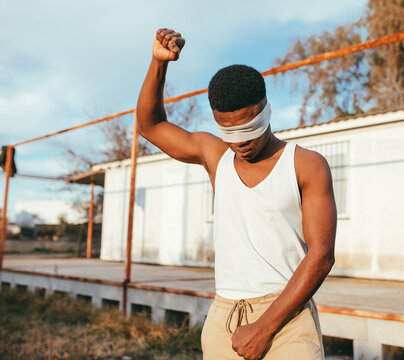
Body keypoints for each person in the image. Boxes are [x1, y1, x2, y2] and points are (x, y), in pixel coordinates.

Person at [137, 28, 337, 360]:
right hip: (223, 318)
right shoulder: (216, 157)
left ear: (266, 111)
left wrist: (264, 328)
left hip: (287, 318)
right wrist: (159, 63)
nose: (240, 141)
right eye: (229, 131)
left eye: (249, 129)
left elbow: (321, 255)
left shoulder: (306, 165)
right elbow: (151, 125)